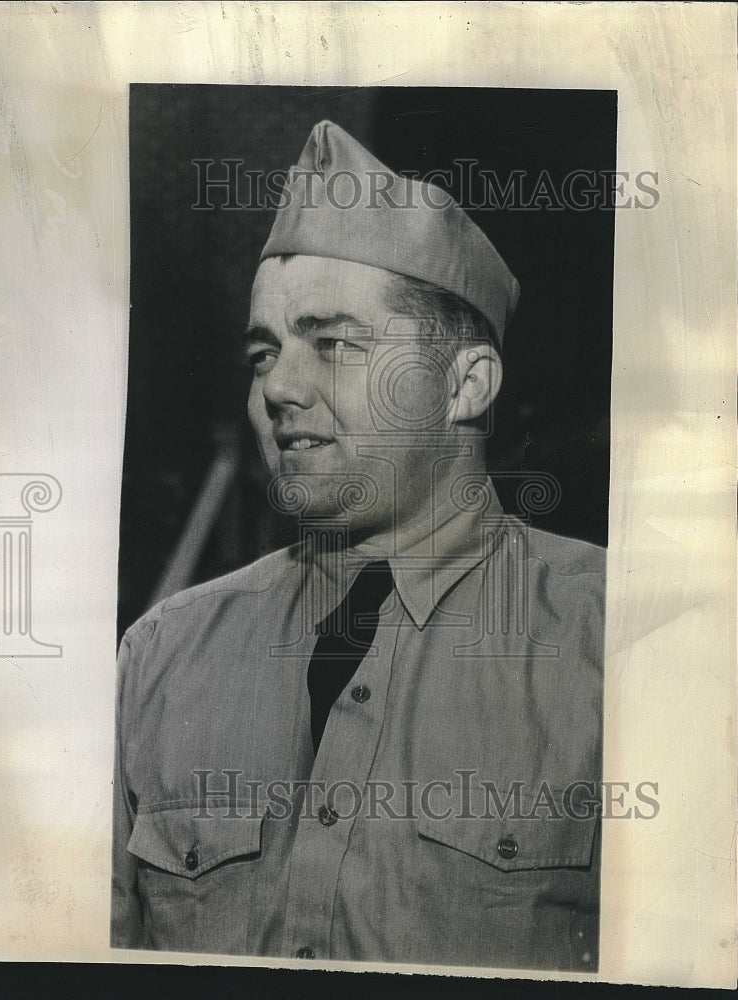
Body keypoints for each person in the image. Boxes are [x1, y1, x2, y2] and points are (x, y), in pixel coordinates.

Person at [111, 121, 605, 972]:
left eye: (334, 344)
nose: (278, 387)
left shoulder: (623, 645)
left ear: (465, 384)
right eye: (262, 351)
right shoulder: (164, 655)